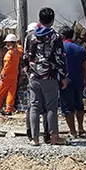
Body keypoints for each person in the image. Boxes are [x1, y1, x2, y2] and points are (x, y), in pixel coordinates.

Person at [24, 8, 66, 146]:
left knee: (34, 106)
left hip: (33, 76)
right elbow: (60, 58)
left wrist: (28, 70)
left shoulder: (30, 36)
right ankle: (54, 136)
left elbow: (25, 56)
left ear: (39, 19)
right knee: (51, 107)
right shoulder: (56, 37)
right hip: (50, 76)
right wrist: (63, 76)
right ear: (52, 20)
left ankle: (34, 139)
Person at [60, 27, 86, 138]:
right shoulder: (80, 49)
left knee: (67, 107)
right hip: (78, 80)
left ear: (62, 36)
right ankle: (81, 128)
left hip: (65, 81)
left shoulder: (60, 48)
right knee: (79, 105)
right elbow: (85, 67)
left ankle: (73, 131)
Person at [0, 34, 21, 115]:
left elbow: (6, 66)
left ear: (12, 43)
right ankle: (8, 109)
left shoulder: (9, 53)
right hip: (14, 76)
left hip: (6, 77)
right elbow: (21, 49)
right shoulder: (17, 52)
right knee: (11, 93)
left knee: (0, 93)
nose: (7, 44)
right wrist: (18, 43)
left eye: (8, 42)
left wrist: (2, 75)